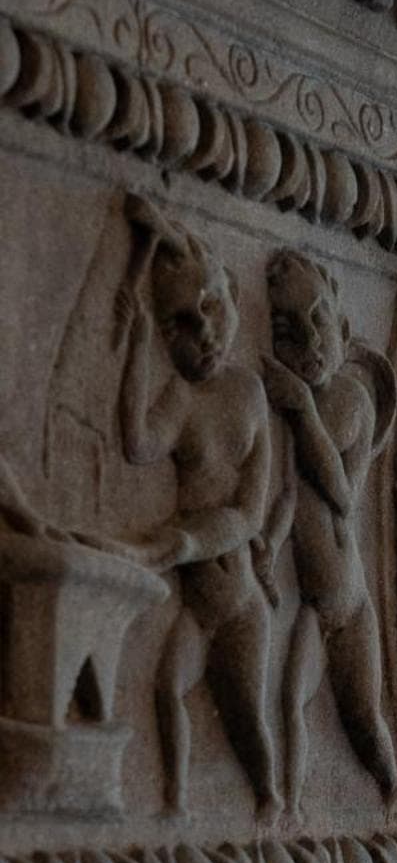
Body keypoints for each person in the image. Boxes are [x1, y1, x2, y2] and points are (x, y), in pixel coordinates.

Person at [116, 195, 280, 814]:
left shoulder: (249, 393)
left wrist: (183, 541)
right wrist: (137, 346)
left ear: (233, 292)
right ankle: (176, 804)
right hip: (197, 605)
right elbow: (138, 444)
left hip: (240, 604)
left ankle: (270, 798)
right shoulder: (181, 399)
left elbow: (249, 515)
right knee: (167, 687)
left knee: (245, 713)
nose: (203, 333)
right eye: (180, 325)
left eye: (210, 307)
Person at [261, 250, 397, 814]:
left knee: (363, 717)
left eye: (317, 320)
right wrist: (266, 549)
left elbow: (343, 495)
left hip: (351, 605)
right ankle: (289, 806)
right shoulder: (297, 410)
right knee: (290, 700)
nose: (308, 342)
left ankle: (392, 788)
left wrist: (300, 408)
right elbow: (289, 498)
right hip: (316, 608)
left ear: (343, 330)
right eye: (286, 332)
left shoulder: (349, 399)